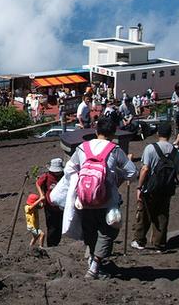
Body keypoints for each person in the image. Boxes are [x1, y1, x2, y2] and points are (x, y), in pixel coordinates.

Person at [63, 117, 137, 279]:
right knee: (108, 232)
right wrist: (117, 179)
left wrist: (81, 184)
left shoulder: (83, 148)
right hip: (107, 201)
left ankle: (91, 260)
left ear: (96, 131)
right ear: (113, 134)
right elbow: (132, 173)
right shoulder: (115, 150)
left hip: (84, 200)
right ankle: (95, 266)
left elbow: (69, 169)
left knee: (90, 230)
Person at [132, 122, 179, 252]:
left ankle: (140, 240)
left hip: (150, 188)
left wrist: (139, 186)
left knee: (145, 214)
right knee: (162, 215)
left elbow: (145, 168)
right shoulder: (175, 151)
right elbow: (177, 170)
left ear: (158, 133)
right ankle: (159, 243)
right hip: (166, 188)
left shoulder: (150, 148)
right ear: (170, 134)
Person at [36, 158, 65, 246]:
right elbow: (38, 183)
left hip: (61, 206)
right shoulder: (47, 176)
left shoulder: (64, 175)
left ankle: (57, 243)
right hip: (50, 206)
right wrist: (41, 195)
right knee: (52, 226)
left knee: (60, 226)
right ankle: (51, 244)